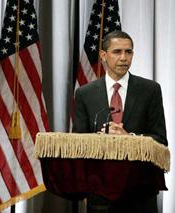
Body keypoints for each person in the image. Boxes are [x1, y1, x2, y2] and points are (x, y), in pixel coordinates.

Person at [73, 31, 168, 213]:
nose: (124, 58)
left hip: (140, 193)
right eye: (117, 52)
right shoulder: (85, 94)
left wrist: (130, 138)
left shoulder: (150, 90)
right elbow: (78, 144)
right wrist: (100, 139)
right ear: (103, 55)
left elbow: (161, 140)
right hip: (99, 195)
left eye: (129, 52)